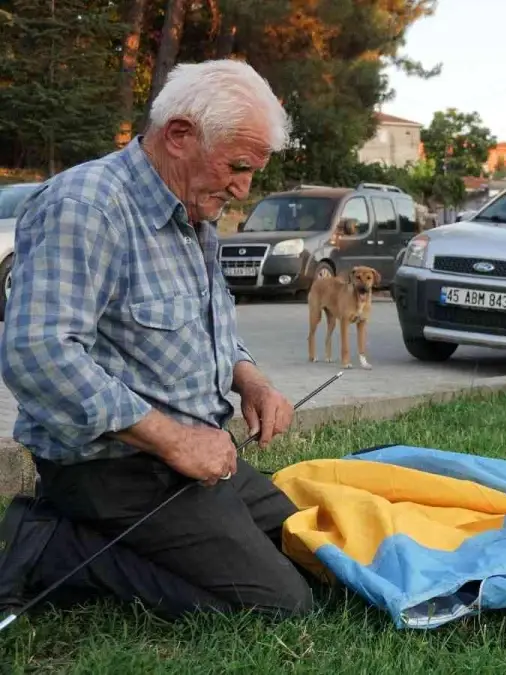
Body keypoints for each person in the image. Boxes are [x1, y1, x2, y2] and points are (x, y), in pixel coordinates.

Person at [0, 59, 315, 620]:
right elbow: (37, 353)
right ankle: (48, 547)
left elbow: (209, 329)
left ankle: (136, 534)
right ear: (179, 136)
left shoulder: (197, 211)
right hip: (112, 468)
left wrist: (253, 381)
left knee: (310, 548)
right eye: (238, 167)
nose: (243, 189)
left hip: (191, 454)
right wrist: (173, 441)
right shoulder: (87, 206)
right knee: (280, 606)